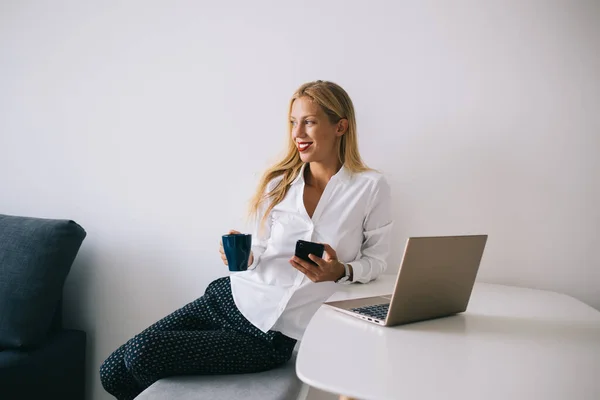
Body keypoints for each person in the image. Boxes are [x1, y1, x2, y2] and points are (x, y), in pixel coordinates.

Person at [99, 80, 393, 400]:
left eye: (309, 122)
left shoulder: (370, 187)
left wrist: (340, 271)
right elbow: (263, 248)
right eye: (293, 122)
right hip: (229, 296)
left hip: (268, 338)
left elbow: (377, 262)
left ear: (341, 126)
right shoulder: (279, 182)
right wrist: (247, 255)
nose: (298, 133)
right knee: (112, 372)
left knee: (143, 354)